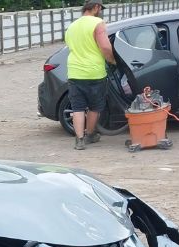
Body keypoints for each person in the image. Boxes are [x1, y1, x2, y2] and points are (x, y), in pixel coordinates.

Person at [64, 0, 116, 150]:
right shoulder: (97, 23)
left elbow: (71, 47)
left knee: (77, 107)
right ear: (96, 7)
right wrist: (112, 60)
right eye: (100, 8)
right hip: (94, 72)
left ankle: (79, 140)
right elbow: (105, 47)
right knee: (94, 107)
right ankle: (90, 135)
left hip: (74, 72)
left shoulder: (72, 26)